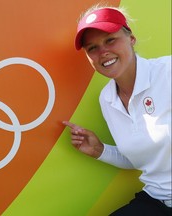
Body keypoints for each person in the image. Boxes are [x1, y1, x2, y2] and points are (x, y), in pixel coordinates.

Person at [62, 5, 172, 216]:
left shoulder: (167, 72)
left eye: (110, 40)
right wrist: (100, 151)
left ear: (131, 39)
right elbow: (142, 157)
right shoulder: (107, 98)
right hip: (156, 200)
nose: (103, 52)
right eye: (92, 48)